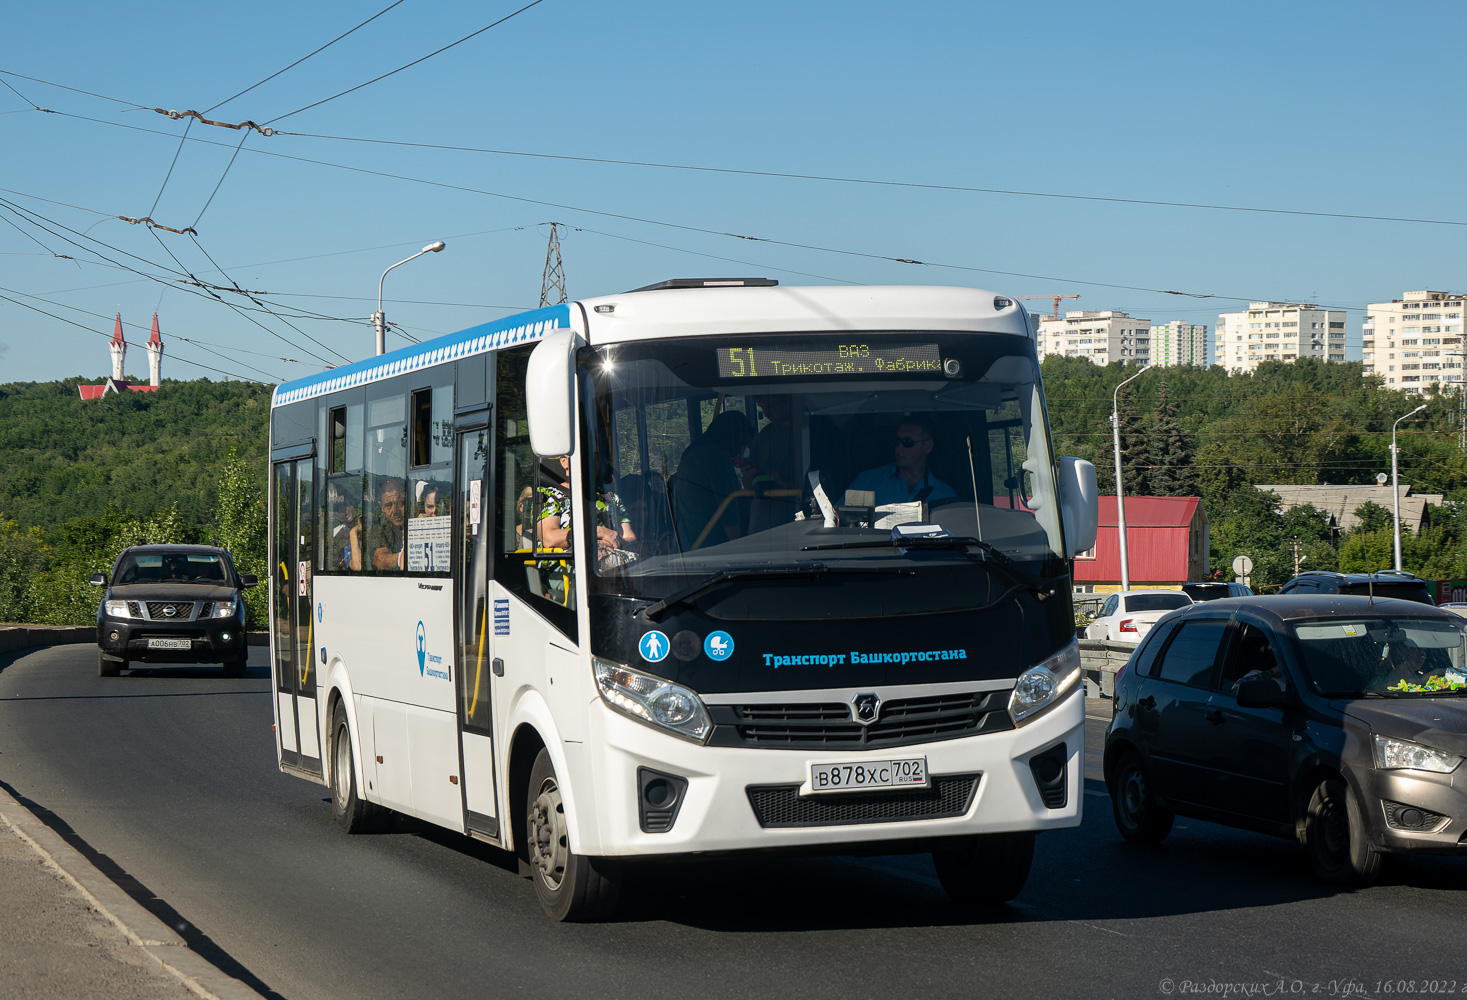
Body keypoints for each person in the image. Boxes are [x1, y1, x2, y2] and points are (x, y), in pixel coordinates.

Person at [673, 410, 755, 550]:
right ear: (736, 438)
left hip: (688, 539)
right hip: (709, 542)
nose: (742, 450)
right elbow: (727, 507)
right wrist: (738, 547)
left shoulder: (693, 454)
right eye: (744, 445)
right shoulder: (716, 456)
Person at [536, 456, 636, 564]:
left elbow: (630, 537)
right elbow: (549, 538)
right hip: (568, 573)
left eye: (594, 458)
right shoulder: (549, 496)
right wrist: (597, 532)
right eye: (581, 456)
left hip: (613, 569)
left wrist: (608, 543)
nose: (588, 463)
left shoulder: (612, 499)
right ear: (564, 462)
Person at [842, 417, 956, 506]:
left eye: (907, 442)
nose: (898, 448)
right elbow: (838, 520)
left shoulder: (945, 494)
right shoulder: (868, 481)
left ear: (928, 446)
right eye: (897, 441)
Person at [366, 478, 407, 571]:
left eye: (400, 503)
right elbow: (380, 559)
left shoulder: (416, 520)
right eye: (388, 506)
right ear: (381, 507)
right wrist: (407, 557)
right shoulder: (378, 527)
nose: (395, 511)